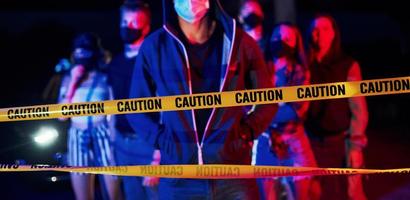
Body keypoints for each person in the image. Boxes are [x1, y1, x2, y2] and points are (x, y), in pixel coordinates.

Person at [127, 0, 277, 198]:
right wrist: (164, 142)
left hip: (233, 175)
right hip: (178, 178)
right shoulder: (155, 47)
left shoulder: (239, 43)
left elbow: (268, 99)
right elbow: (135, 108)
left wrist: (244, 135)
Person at [305, 14, 368, 200]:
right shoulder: (305, 66)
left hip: (341, 143)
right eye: (315, 30)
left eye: (325, 29)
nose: (320, 34)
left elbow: (359, 109)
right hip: (312, 144)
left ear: (334, 34)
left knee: (350, 193)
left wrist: (356, 145)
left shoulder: (348, 65)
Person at [253, 22, 318, 200]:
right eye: (277, 36)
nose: (281, 41)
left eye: (287, 38)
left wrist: (263, 111)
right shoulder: (257, 69)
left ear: (296, 44)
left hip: (294, 142)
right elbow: (246, 107)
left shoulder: (300, 73)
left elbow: (296, 111)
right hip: (266, 144)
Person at [58, 33, 121, 200]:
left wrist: (114, 139)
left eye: (85, 52)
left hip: (104, 134)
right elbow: (61, 116)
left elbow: (114, 111)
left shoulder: (105, 76)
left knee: (114, 193)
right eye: (78, 52)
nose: (82, 56)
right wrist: (73, 82)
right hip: (77, 136)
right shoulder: (67, 78)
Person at [107, 1, 159, 199]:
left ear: (145, 27)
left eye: (134, 23)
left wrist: (158, 156)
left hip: (148, 145)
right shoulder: (115, 63)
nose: (127, 27)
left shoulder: (153, 61)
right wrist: (113, 146)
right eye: (124, 22)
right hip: (122, 144)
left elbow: (166, 109)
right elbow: (112, 106)